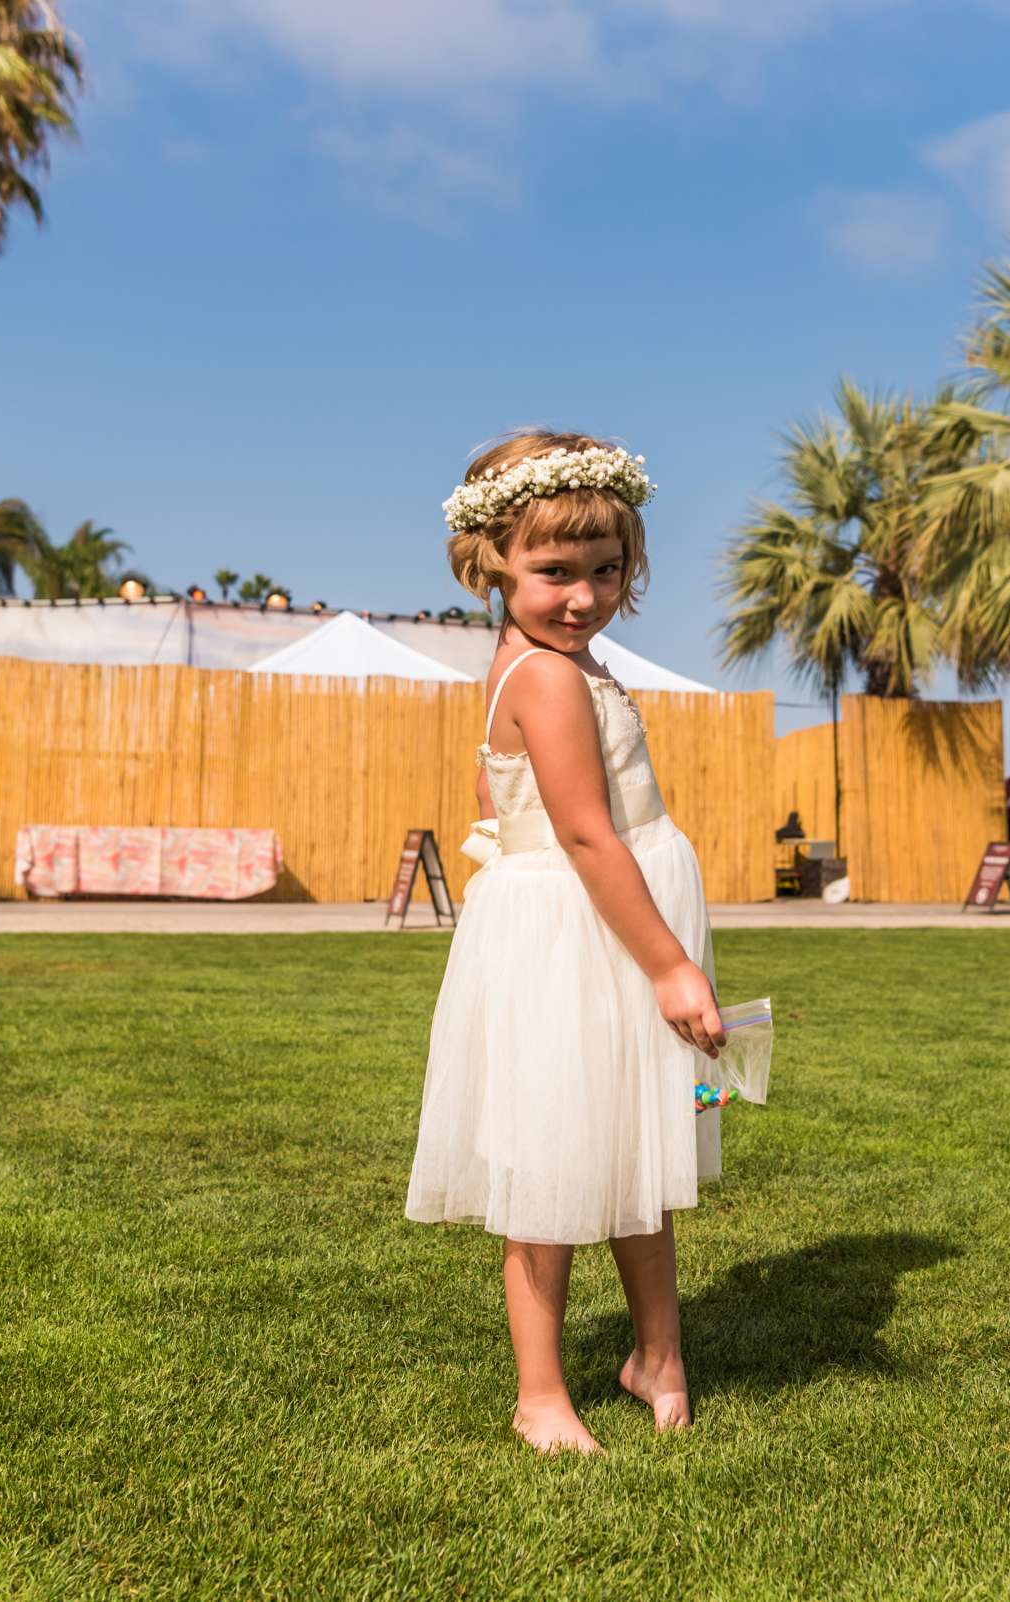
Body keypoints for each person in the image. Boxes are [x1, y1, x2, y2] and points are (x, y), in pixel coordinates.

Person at [406, 431, 723, 1457]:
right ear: (492, 561)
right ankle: (540, 1393)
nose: (583, 594)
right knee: (549, 1168)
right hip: (583, 938)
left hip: (602, 927)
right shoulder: (543, 678)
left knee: (638, 1145)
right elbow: (585, 833)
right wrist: (671, 964)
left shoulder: (557, 663)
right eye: (554, 572)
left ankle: (657, 1357)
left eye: (605, 570)